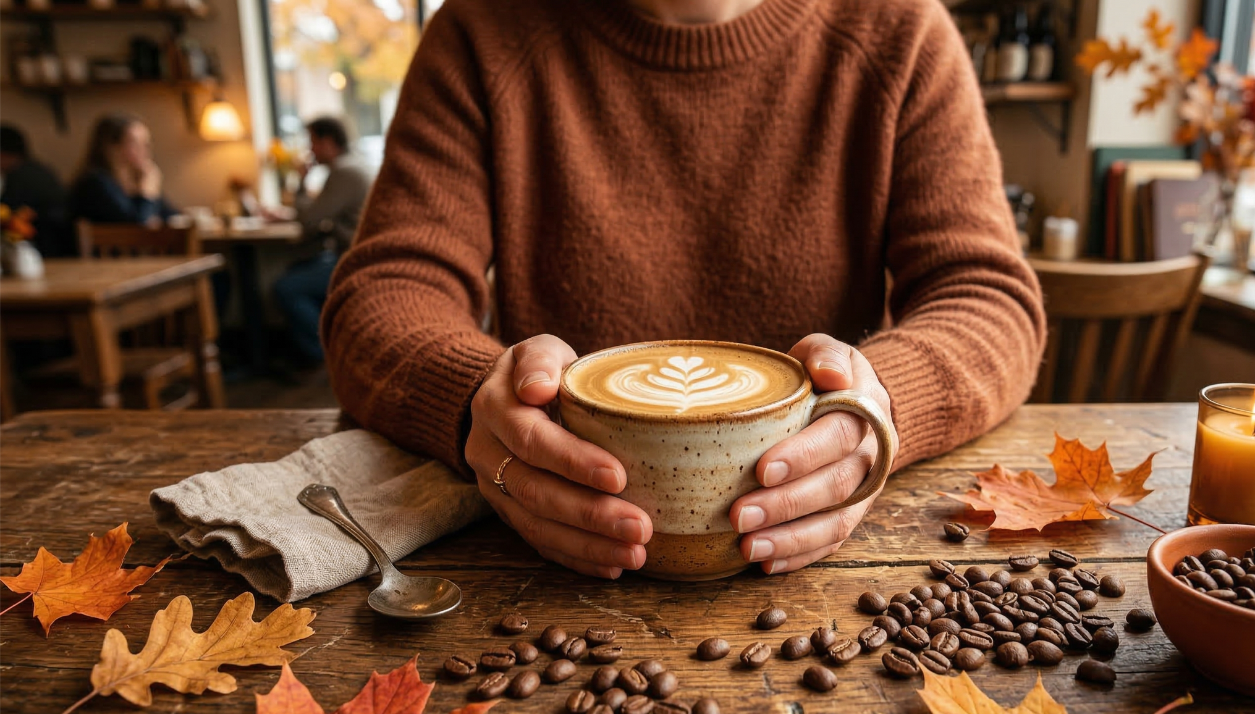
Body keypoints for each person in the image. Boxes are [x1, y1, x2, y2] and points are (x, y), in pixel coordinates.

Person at [321, 0, 1047, 579]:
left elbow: (987, 296)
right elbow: (383, 294)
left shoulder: (901, 30)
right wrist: (474, 399)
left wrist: (879, 402)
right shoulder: (481, 32)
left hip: (825, 569)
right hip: (542, 567)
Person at [272, 117, 373, 366]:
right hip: (353, 253)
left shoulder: (345, 171)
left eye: (313, 141)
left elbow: (309, 218)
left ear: (328, 142)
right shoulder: (353, 165)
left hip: (354, 260)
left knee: (286, 288)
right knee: (296, 271)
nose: (310, 149)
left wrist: (301, 181)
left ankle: (325, 354)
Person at [69, 114, 177, 226]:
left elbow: (172, 216)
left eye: (146, 143)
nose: (144, 150)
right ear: (111, 148)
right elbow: (137, 227)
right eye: (135, 143)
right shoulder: (95, 183)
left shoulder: (135, 178)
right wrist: (146, 193)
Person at [0, 124, 72, 257]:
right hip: (66, 247)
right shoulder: (39, 169)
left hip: (48, 252)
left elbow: (6, 215)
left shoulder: (18, 177)